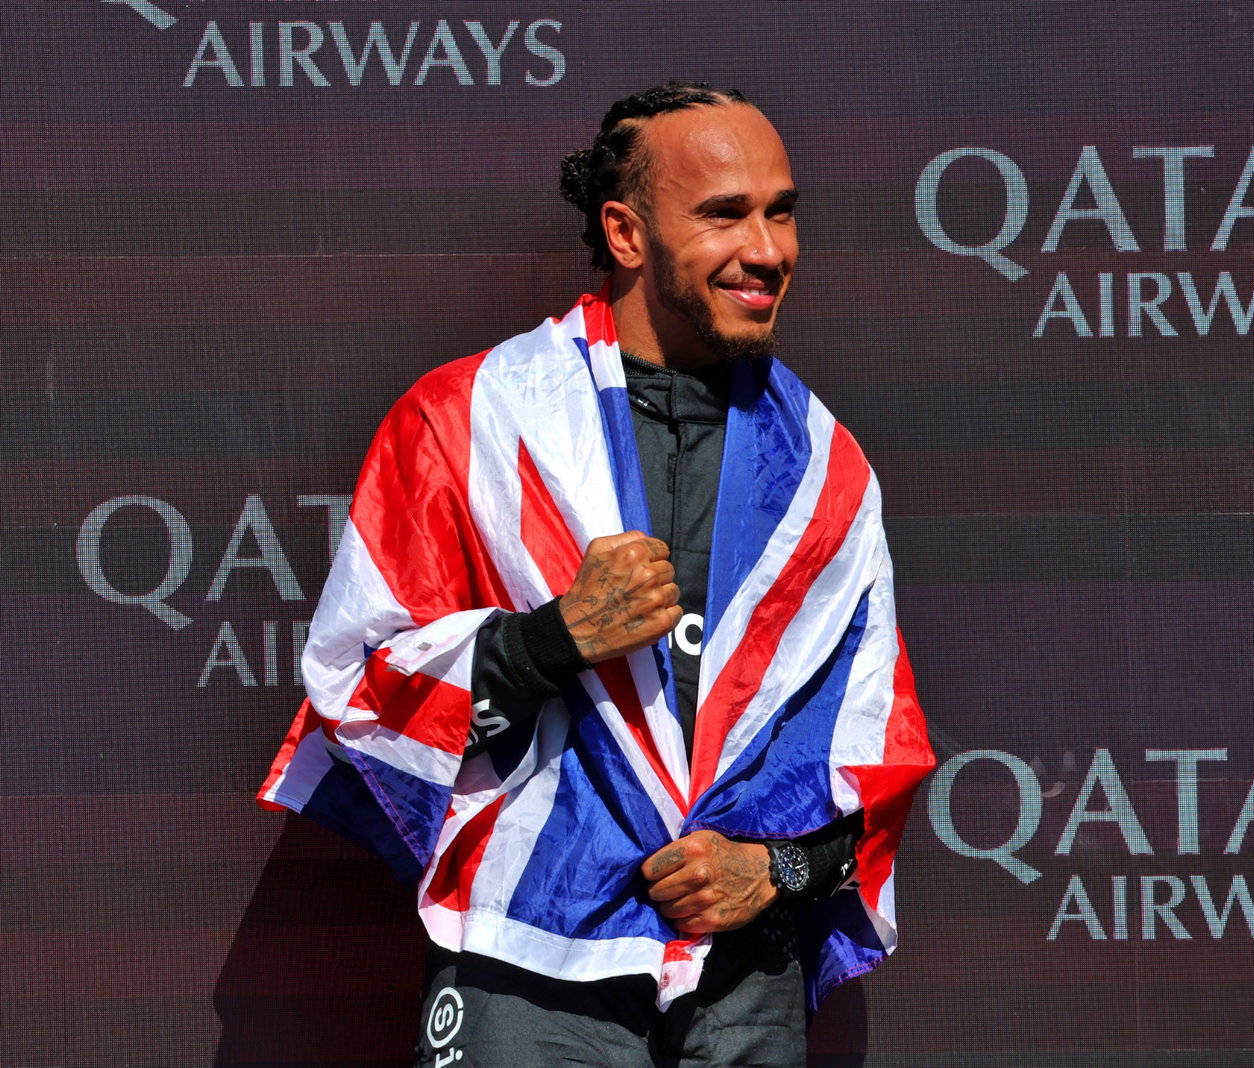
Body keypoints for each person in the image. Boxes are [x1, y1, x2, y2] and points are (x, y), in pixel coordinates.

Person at [259, 81, 933, 1066]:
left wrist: (774, 871)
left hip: (744, 987)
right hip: (526, 964)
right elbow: (356, 694)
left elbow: (874, 767)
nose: (767, 249)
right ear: (625, 233)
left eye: (780, 212)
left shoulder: (828, 471)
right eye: (723, 214)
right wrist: (552, 639)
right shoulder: (471, 420)